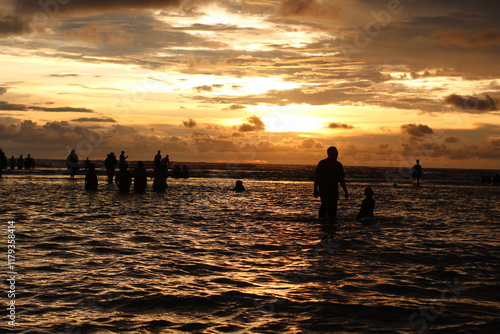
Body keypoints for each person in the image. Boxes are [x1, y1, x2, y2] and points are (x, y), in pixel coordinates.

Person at [314, 146, 348, 221]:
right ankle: (322, 224)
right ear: (329, 154)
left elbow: (341, 180)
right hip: (324, 189)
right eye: (334, 153)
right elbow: (317, 177)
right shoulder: (322, 163)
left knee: (332, 210)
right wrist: (315, 189)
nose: (336, 154)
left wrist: (345, 191)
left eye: (336, 153)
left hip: (333, 191)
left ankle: (330, 226)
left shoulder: (338, 165)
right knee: (324, 207)